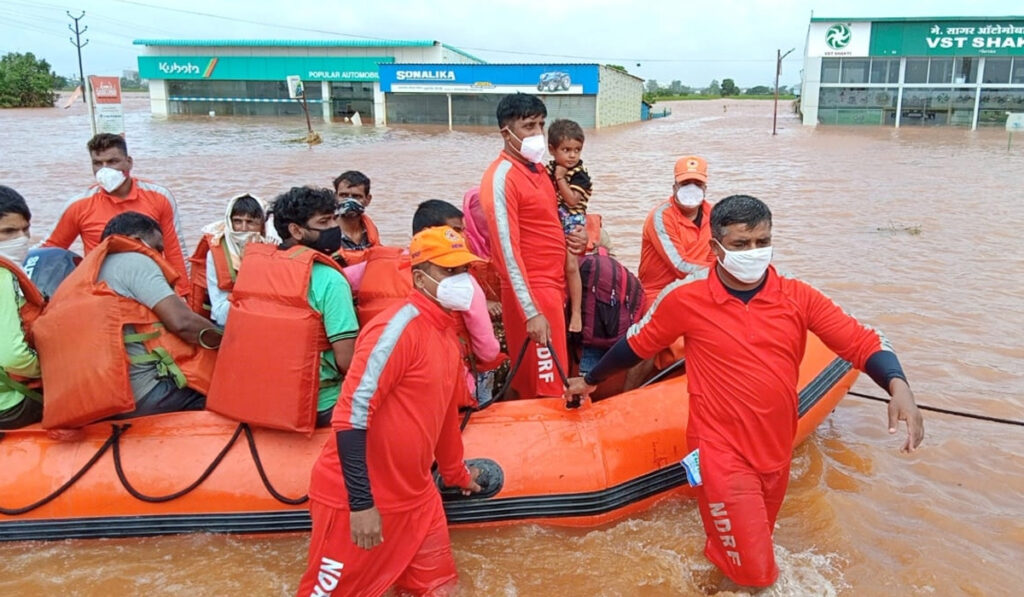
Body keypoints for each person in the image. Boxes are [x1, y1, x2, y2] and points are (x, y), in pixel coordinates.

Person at [567, 195, 925, 589]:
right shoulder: (686, 299)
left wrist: (898, 385)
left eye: (762, 242)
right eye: (741, 245)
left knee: (743, 555)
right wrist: (591, 379)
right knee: (757, 576)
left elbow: (860, 341)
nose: (754, 253)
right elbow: (636, 344)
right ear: (715, 248)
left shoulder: (797, 297)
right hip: (721, 453)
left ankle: (711, 583)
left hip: (775, 450)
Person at [297, 225, 484, 596]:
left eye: (464, 270)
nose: (461, 280)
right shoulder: (396, 328)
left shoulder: (447, 335)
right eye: (449, 271)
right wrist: (361, 505)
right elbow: (351, 416)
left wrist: (457, 475)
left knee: (443, 590)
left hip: (418, 498)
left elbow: (444, 418)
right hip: (360, 501)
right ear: (419, 277)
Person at [33, 212, 218, 428]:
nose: (159, 256)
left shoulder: (84, 274)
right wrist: (228, 343)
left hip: (101, 398)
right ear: (138, 242)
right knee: (226, 395)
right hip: (146, 395)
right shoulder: (135, 259)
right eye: (157, 248)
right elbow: (182, 323)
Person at [206, 187, 358, 431]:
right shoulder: (330, 279)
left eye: (333, 218)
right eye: (324, 221)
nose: (334, 227)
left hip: (261, 396)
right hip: (319, 404)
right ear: (296, 230)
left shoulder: (254, 267)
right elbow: (347, 361)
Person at [343, 199, 502, 407]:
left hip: (389, 384)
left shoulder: (373, 266)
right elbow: (487, 351)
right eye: (455, 231)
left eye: (462, 231)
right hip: (449, 386)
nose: (462, 237)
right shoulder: (464, 284)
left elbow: (333, 282)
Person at [479, 93, 582, 399]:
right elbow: (506, 252)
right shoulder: (502, 177)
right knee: (546, 384)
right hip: (533, 291)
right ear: (506, 132)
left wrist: (577, 238)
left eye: (540, 124)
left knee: (545, 375)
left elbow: (547, 223)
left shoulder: (538, 171)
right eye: (528, 126)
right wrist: (531, 311)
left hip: (553, 286)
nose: (537, 133)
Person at [41, 133, 191, 297]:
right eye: (98, 163)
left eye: (113, 162)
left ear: (129, 162)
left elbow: (175, 251)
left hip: (152, 288)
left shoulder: (159, 197)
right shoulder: (78, 206)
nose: (105, 169)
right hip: (102, 293)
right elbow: (48, 253)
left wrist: (183, 296)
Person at [638, 155, 715, 307]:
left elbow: (716, 257)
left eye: (697, 184)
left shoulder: (715, 214)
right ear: (675, 188)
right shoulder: (661, 216)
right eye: (686, 183)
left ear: (705, 188)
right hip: (660, 293)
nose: (692, 189)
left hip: (701, 288)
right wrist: (725, 272)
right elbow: (680, 265)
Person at [187, 194, 269, 325]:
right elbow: (220, 312)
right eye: (237, 221)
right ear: (230, 222)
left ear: (262, 225)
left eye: (250, 222)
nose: (243, 228)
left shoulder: (273, 248)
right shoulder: (216, 252)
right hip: (227, 319)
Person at [546, 118, 593, 343]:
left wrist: (560, 179)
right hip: (554, 221)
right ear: (552, 150)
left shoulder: (579, 173)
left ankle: (576, 313)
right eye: (566, 150)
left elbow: (573, 200)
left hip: (572, 220)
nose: (572, 155)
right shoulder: (548, 168)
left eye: (577, 150)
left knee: (571, 265)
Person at [0, 186, 44, 429]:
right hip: (9, 404)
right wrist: (48, 369)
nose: (20, 239)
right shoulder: (3, 276)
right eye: (8, 231)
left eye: (25, 230)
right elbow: (12, 356)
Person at [332, 170, 380, 265]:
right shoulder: (326, 233)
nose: (349, 201)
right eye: (344, 195)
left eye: (356, 196)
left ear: (368, 200)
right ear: (335, 197)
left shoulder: (370, 232)